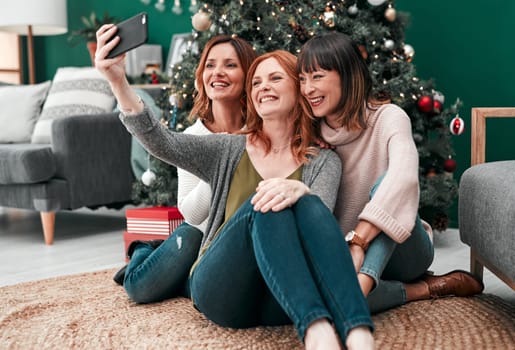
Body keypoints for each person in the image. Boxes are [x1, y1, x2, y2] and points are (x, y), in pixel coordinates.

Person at [96, 23, 374, 349]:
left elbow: (319, 235)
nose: (262, 87)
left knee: (298, 200)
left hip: (280, 297)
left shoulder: (324, 161)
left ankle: (358, 333)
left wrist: (303, 192)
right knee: (267, 202)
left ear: (299, 91)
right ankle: (317, 330)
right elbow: (161, 142)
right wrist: (117, 80)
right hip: (221, 288)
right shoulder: (228, 148)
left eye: (274, 78)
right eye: (256, 82)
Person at [297, 31, 484, 314]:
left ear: (348, 75)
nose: (308, 88)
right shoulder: (308, 133)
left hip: (404, 250)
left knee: (389, 183)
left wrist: (358, 241)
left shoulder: (389, 117)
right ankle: (421, 289)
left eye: (317, 76)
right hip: (343, 257)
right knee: (321, 296)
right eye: (302, 79)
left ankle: (363, 282)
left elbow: (404, 179)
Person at [110, 34, 257, 302]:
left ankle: (175, 269)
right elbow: (190, 212)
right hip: (199, 237)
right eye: (210, 65)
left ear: (249, 74)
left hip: (237, 244)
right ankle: (144, 250)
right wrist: (221, 162)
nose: (218, 73)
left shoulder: (262, 133)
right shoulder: (194, 135)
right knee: (140, 289)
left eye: (230, 65)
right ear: (201, 75)